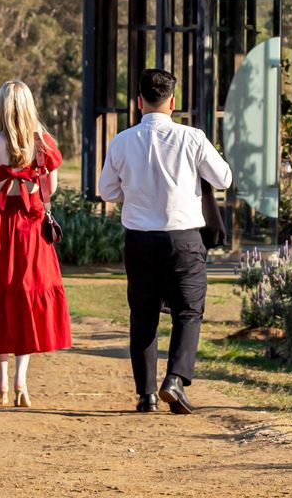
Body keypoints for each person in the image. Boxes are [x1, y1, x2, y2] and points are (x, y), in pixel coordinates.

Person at [94, 67, 233, 414]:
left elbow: (106, 190)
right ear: (173, 102)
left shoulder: (123, 141)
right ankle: (174, 380)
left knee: (143, 315)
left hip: (139, 239)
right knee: (188, 312)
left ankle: (146, 395)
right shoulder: (192, 138)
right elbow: (224, 178)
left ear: (139, 102)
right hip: (183, 238)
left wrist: (137, 190)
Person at [0, 80, 72, 407]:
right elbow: (49, 190)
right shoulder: (43, 144)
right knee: (26, 298)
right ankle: (21, 382)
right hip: (32, 229)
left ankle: (0, 379)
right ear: (29, 107)